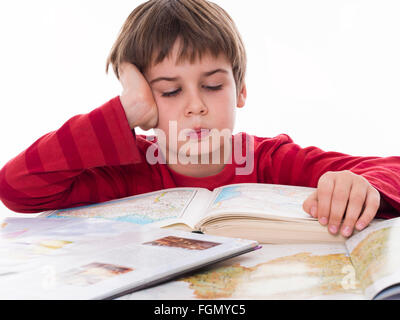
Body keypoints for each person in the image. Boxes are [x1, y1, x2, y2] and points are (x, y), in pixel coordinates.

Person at [0, 0, 399, 239]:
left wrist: (360, 186)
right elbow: (17, 189)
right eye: (170, 91)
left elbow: (392, 169)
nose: (195, 106)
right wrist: (124, 113)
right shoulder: (124, 169)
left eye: (212, 86)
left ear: (240, 90)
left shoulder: (270, 159)